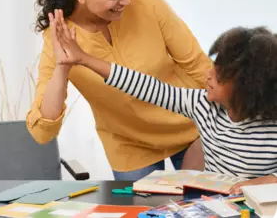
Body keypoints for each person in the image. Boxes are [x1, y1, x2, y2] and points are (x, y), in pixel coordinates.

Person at [26, 0, 211, 180]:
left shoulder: (145, 1)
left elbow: (197, 65)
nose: (126, 1)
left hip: (190, 128)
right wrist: (63, 67)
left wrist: (224, 124)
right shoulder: (59, 35)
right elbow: (43, 131)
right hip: (129, 146)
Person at [52, 20, 277, 194]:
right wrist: (83, 58)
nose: (208, 74)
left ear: (247, 86)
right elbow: (146, 86)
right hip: (214, 206)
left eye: (218, 74)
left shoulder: (271, 124)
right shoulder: (201, 105)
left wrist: (269, 180)